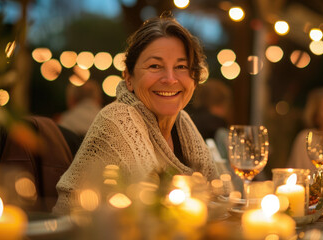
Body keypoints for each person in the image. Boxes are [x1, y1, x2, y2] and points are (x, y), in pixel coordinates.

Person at [53, 13, 218, 214]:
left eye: (181, 66)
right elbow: (153, 207)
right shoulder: (118, 118)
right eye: (155, 66)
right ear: (129, 78)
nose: (169, 78)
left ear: (194, 78)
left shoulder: (183, 124)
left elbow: (219, 192)